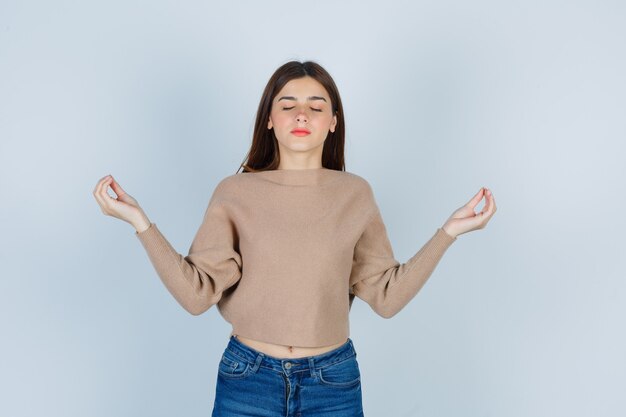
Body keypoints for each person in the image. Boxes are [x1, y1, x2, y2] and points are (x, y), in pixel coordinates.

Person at [92, 60, 496, 416]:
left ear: (333, 121)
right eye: (287, 105)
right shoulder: (235, 192)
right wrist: (140, 222)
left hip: (332, 383)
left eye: (316, 106)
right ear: (269, 118)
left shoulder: (355, 194)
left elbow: (387, 297)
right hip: (247, 379)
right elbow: (197, 294)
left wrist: (449, 233)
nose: (301, 114)